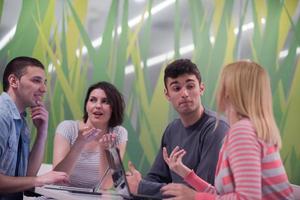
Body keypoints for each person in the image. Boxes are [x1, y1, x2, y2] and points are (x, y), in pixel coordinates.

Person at [161, 60, 294, 199]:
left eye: (222, 84)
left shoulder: (242, 132)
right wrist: (186, 174)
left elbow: (247, 198)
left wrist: (195, 197)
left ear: (231, 92)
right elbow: (221, 195)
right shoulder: (245, 129)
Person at [126, 59, 229, 198]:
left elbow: (201, 191)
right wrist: (136, 184)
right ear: (167, 94)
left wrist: (143, 187)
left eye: (190, 86)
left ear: (201, 89)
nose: (185, 93)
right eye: (176, 88)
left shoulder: (216, 128)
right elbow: (157, 177)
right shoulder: (172, 129)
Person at [0, 56, 68, 200]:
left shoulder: (21, 121)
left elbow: (27, 177)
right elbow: (32, 179)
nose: (43, 89)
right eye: (36, 81)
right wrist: (40, 179)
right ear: (13, 81)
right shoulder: (2, 115)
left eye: (44, 83)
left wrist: (42, 132)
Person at [52, 81, 128, 189]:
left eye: (105, 101)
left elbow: (106, 185)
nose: (97, 106)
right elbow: (57, 179)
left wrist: (104, 149)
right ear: (86, 105)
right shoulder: (68, 128)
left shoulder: (118, 133)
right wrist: (79, 143)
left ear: (113, 108)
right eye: (92, 100)